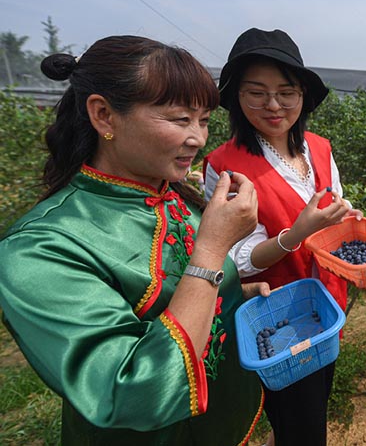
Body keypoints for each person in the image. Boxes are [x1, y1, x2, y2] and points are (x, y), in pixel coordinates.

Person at [0, 35, 270, 445]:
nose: (198, 138)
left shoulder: (174, 194)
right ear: (104, 116)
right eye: (180, 119)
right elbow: (134, 389)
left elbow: (177, 290)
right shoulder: (38, 249)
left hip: (223, 420)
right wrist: (213, 250)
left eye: (204, 120)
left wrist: (234, 291)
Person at [204, 28, 362, 445]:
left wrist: (346, 220)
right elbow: (232, 259)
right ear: (236, 97)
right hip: (277, 319)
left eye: (286, 92)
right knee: (303, 427)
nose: (273, 105)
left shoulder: (320, 148)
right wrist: (298, 233)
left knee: (312, 405)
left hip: (326, 304)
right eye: (256, 92)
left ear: (302, 97)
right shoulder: (225, 167)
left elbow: (334, 208)